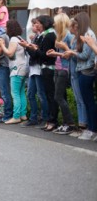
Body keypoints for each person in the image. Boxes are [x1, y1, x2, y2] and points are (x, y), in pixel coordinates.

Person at [63, 12, 96, 140]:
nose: (74, 25)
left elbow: (85, 56)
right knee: (88, 101)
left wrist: (72, 52)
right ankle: (90, 129)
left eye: (76, 22)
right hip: (84, 70)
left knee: (89, 102)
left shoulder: (88, 34)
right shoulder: (85, 34)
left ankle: (92, 129)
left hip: (87, 71)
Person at [20, 15, 56, 131]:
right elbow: (37, 53)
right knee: (31, 94)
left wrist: (31, 48)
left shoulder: (48, 35)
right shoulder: (40, 36)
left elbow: (42, 54)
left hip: (42, 68)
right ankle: (35, 118)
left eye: (37, 23)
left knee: (43, 95)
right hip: (35, 68)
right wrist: (30, 47)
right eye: (35, 24)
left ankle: (47, 118)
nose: (36, 26)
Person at [46, 13, 75, 134]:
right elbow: (63, 53)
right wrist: (55, 52)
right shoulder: (60, 36)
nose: (53, 24)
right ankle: (65, 123)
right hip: (58, 68)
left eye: (55, 22)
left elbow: (70, 54)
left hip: (64, 69)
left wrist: (56, 53)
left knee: (58, 96)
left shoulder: (68, 36)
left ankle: (70, 123)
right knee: (60, 97)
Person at [0, 20, 28, 124]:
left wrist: (2, 45)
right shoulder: (20, 38)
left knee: (15, 93)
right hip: (23, 68)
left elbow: (10, 54)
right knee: (21, 92)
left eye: (6, 27)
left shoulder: (14, 39)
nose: (5, 28)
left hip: (16, 69)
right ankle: (23, 114)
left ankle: (16, 116)